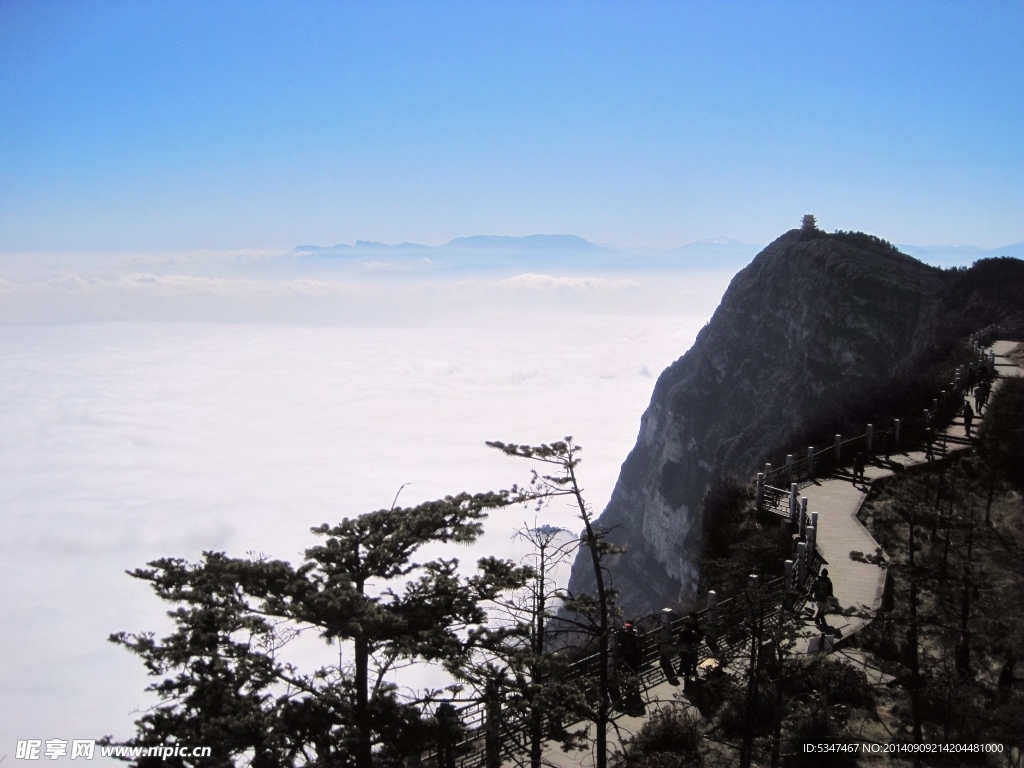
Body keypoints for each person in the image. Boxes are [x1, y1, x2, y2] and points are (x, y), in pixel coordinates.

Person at [615, 622, 646, 716]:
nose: (627, 630)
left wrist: (631, 636)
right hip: (626, 659)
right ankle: (629, 692)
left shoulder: (634, 634)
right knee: (627, 675)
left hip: (633, 658)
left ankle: (634, 691)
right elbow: (618, 646)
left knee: (633, 674)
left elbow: (639, 642)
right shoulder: (622, 636)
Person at [657, 608, 682, 686]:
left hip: (666, 644)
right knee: (665, 658)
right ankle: (671, 675)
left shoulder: (665, 628)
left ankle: (670, 674)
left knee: (665, 659)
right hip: (666, 644)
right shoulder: (669, 626)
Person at [677, 612, 703, 684]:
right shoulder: (685, 628)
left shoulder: (696, 626)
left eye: (690, 617)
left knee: (694, 658)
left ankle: (693, 669)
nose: (689, 619)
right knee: (685, 659)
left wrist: (697, 641)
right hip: (686, 647)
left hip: (693, 645)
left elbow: (699, 634)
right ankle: (683, 671)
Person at [435, 700, 460, 768]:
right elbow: (437, 720)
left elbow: (455, 721)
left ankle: (450, 764)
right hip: (441, 733)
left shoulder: (451, 712)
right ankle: (442, 765)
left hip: (449, 734)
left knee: (449, 752)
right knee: (440, 752)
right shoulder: (439, 712)